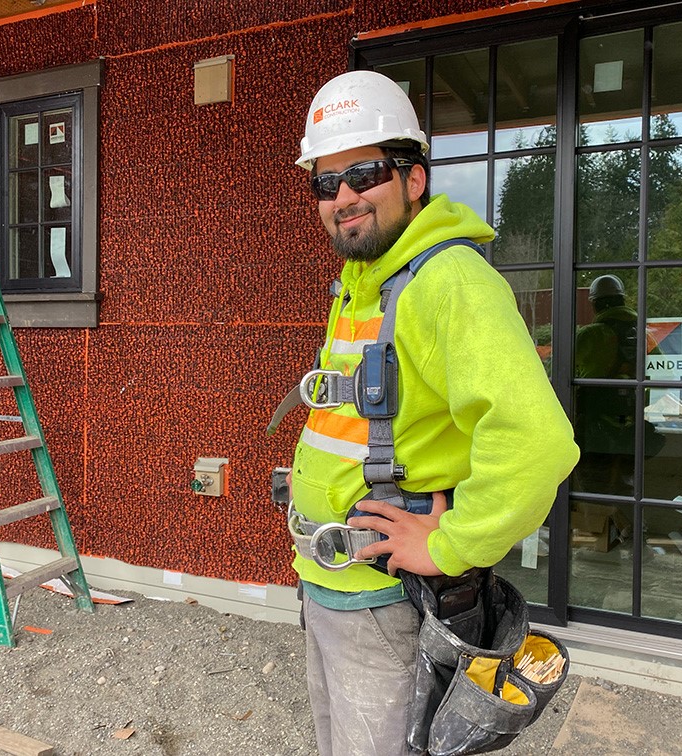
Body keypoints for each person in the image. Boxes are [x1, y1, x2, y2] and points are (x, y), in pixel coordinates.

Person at [283, 70, 579, 755]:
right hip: (333, 586)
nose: (344, 197)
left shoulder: (448, 282)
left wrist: (451, 545)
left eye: (364, 174)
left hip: (392, 602)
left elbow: (536, 442)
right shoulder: (366, 285)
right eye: (326, 183)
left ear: (414, 179)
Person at [573, 274, 662, 494]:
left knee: (591, 489)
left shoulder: (590, 335)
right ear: (622, 300)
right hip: (634, 428)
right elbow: (661, 372)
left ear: (595, 304)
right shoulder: (646, 337)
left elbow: (557, 372)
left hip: (594, 432)